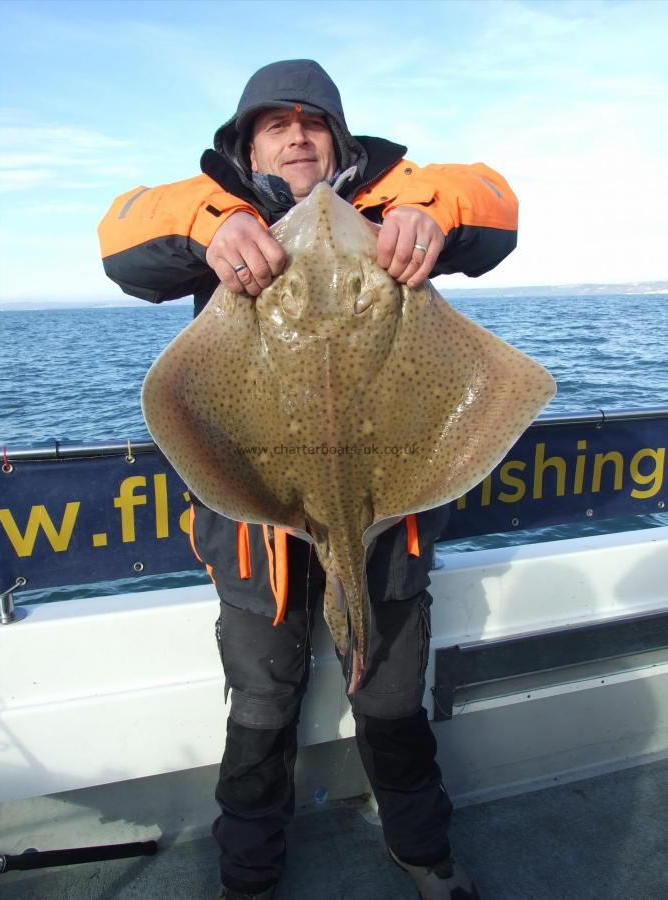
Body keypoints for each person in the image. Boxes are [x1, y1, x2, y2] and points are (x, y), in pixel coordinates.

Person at [98, 59, 518, 900]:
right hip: (256, 539)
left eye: (312, 123)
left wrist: (420, 217)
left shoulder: (399, 201)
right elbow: (120, 238)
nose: (296, 136)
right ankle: (249, 877)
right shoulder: (216, 216)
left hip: (387, 527)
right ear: (247, 147)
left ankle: (422, 851)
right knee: (259, 711)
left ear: (340, 143)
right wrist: (211, 226)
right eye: (273, 125)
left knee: (394, 702)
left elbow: (495, 202)